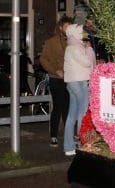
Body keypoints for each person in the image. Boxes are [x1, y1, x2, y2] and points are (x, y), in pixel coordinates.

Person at [40, 16, 73, 148]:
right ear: (60, 28)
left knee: (68, 108)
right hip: (56, 79)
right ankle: (53, 135)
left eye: (70, 27)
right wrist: (55, 70)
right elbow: (43, 59)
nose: (68, 29)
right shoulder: (51, 42)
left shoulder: (74, 41)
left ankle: (68, 136)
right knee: (58, 107)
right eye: (66, 26)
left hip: (70, 79)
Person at [63, 23, 95, 157]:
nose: (84, 35)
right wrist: (89, 49)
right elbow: (87, 63)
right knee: (83, 113)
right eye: (81, 32)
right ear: (76, 33)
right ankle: (83, 144)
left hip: (72, 83)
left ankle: (69, 147)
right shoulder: (76, 48)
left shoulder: (71, 47)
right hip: (80, 82)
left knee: (72, 116)